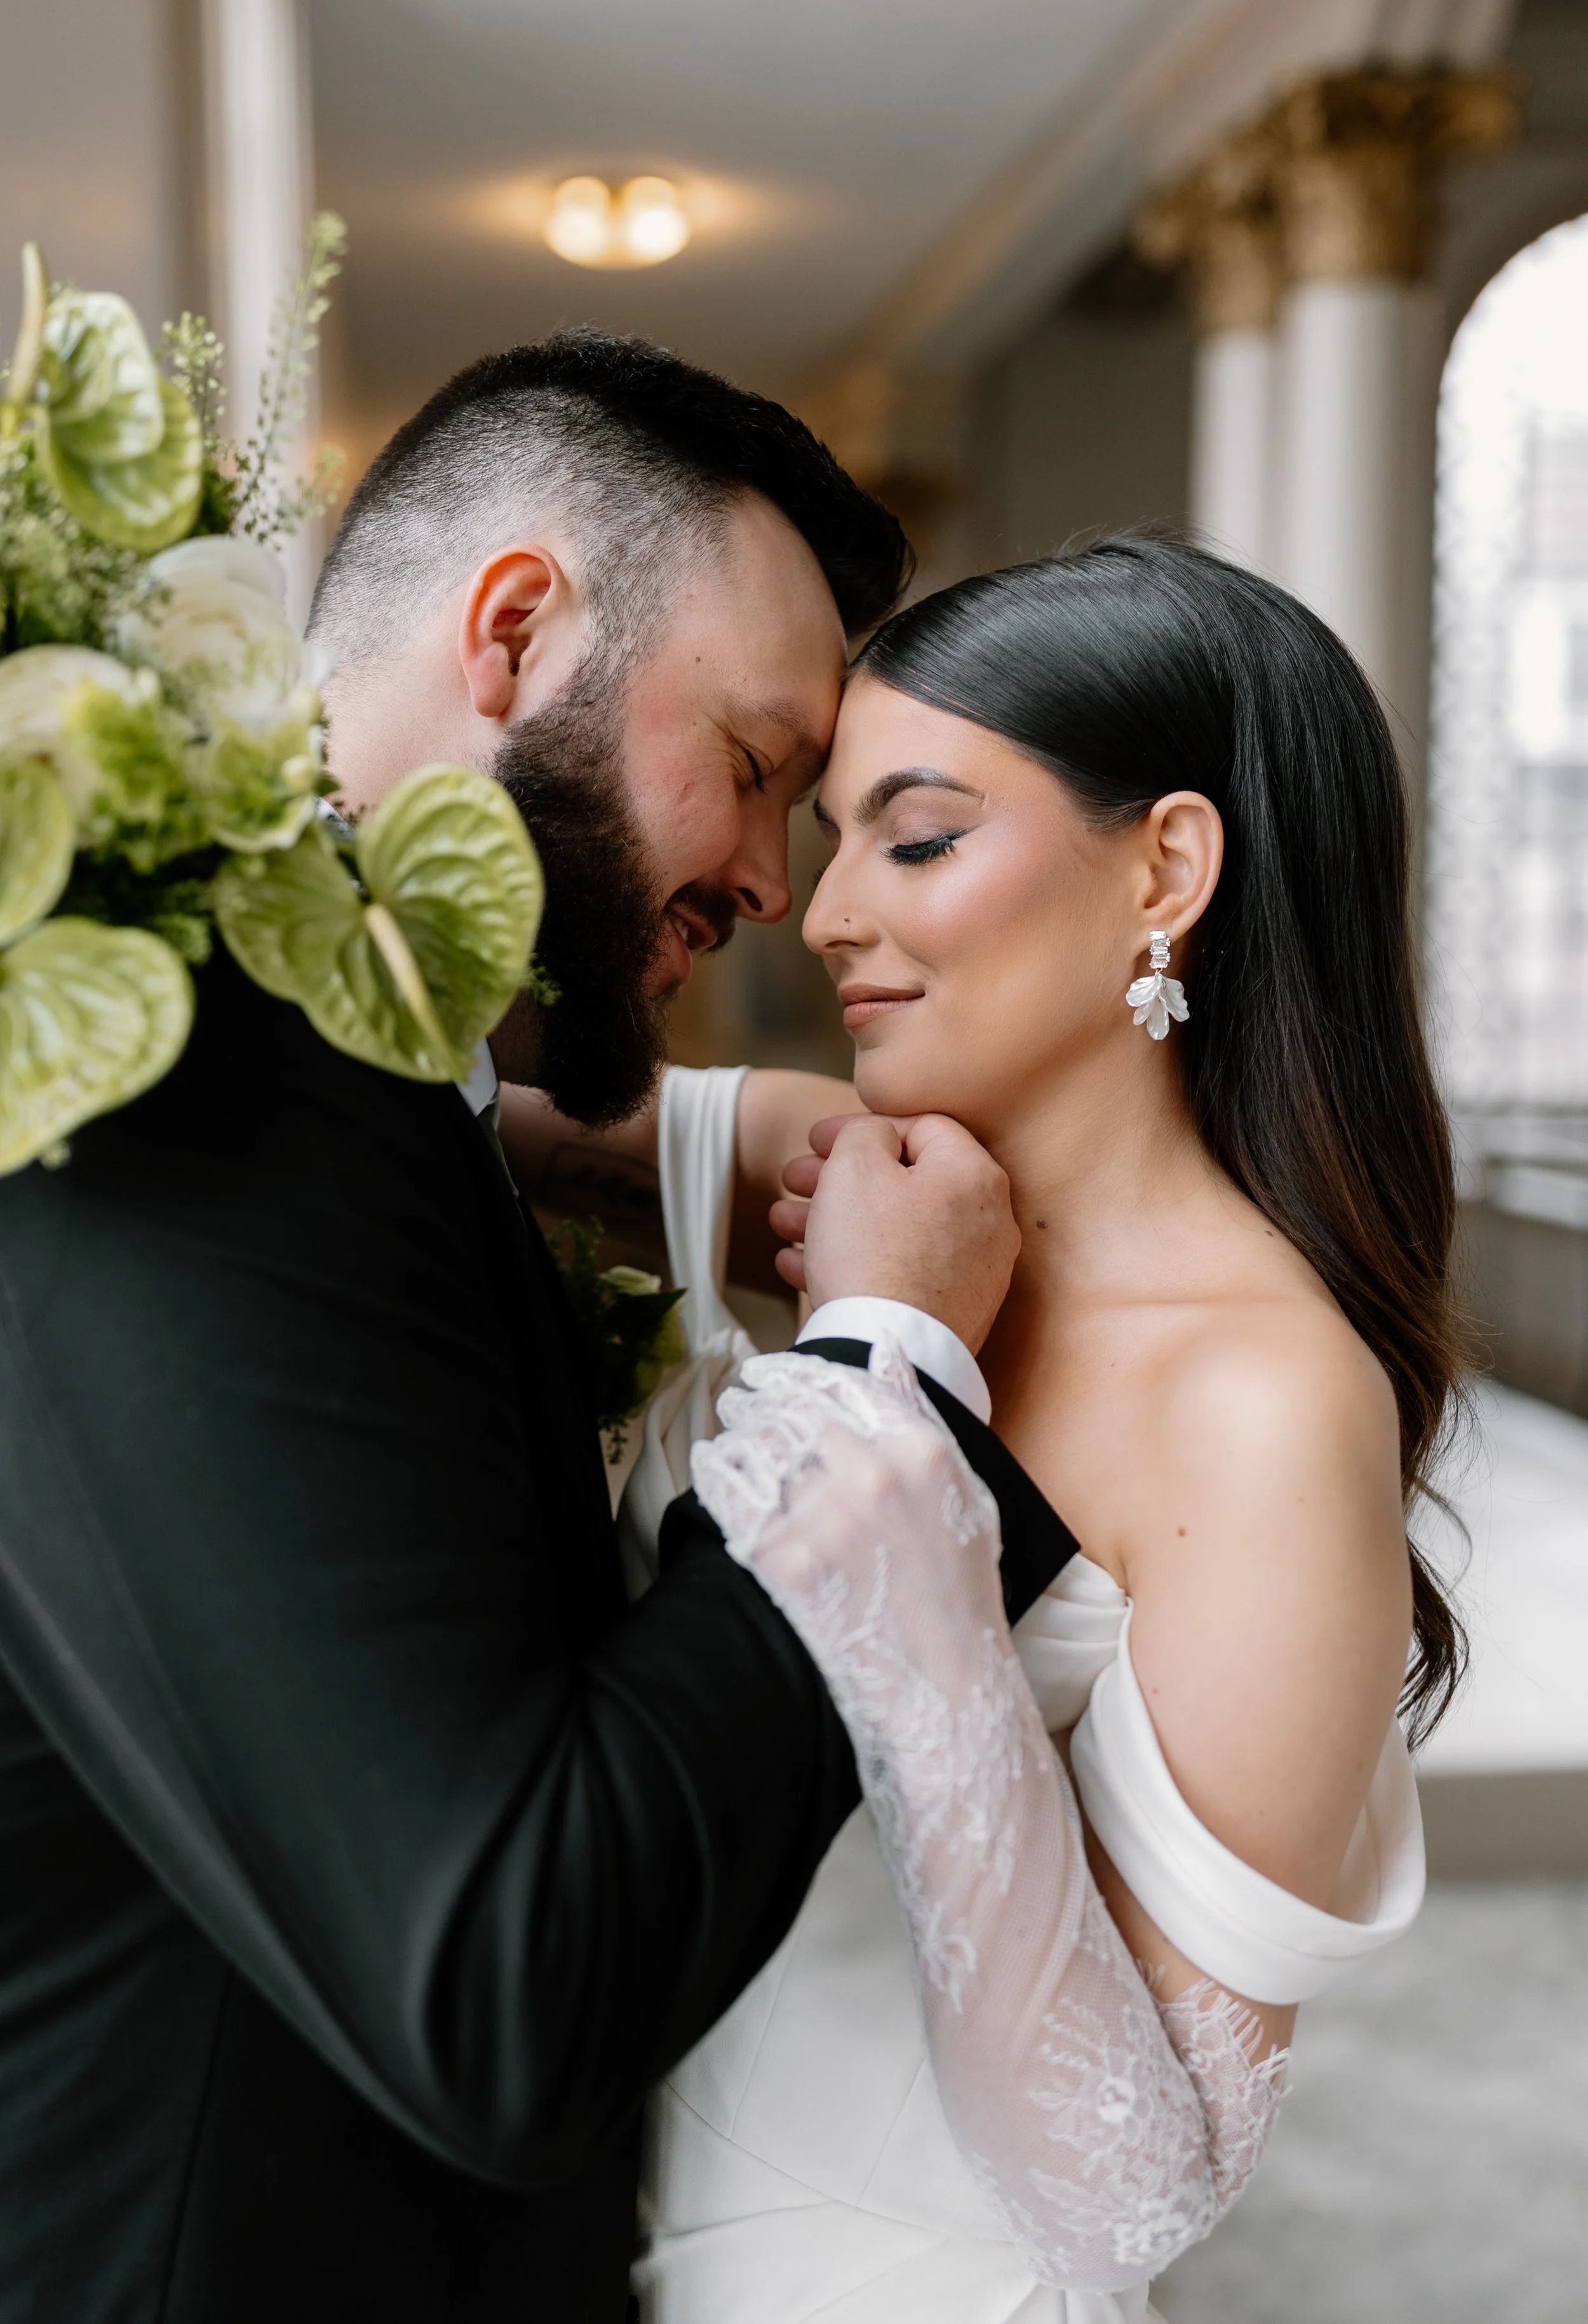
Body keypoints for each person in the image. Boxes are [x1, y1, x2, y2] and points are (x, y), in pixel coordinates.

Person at [0, 333, 1079, 2324]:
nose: (773, 882)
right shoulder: (195, 1105)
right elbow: (506, 1981)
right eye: (755, 769)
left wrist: (653, 1134)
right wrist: (877, 1373)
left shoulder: (319, 1060)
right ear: (512, 628)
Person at [502, 535, 1458, 2321]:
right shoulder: (839, 1177)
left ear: (1165, 866)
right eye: (828, 826)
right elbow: (424, 1125)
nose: (826, 907)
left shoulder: (1263, 1404)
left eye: (915, 835)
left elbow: (1127, 2189)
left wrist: (907, 1534)